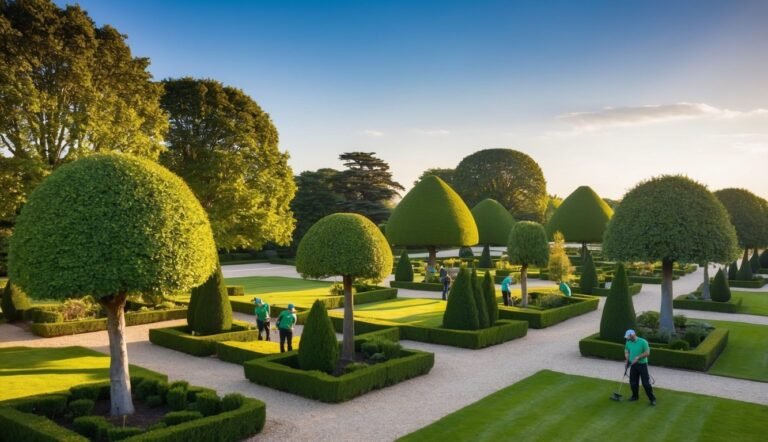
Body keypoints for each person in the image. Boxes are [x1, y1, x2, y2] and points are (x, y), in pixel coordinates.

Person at [624, 329, 657, 406]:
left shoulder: (643, 342)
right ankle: (635, 396)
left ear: (633, 335)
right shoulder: (628, 342)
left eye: (628, 337)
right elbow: (626, 350)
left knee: (646, 383)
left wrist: (638, 357)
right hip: (633, 364)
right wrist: (627, 358)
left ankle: (652, 399)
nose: (627, 339)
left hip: (642, 365)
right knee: (633, 382)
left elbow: (647, 353)